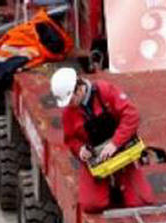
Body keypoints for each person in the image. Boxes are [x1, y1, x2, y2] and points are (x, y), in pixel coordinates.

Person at [50, 67, 155, 213]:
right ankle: (110, 187)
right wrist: (81, 150)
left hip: (122, 151)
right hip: (97, 159)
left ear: (79, 89)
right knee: (91, 205)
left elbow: (131, 115)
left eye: (71, 99)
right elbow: (71, 139)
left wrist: (115, 143)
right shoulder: (69, 112)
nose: (70, 104)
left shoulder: (105, 91)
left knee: (140, 202)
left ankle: (121, 182)